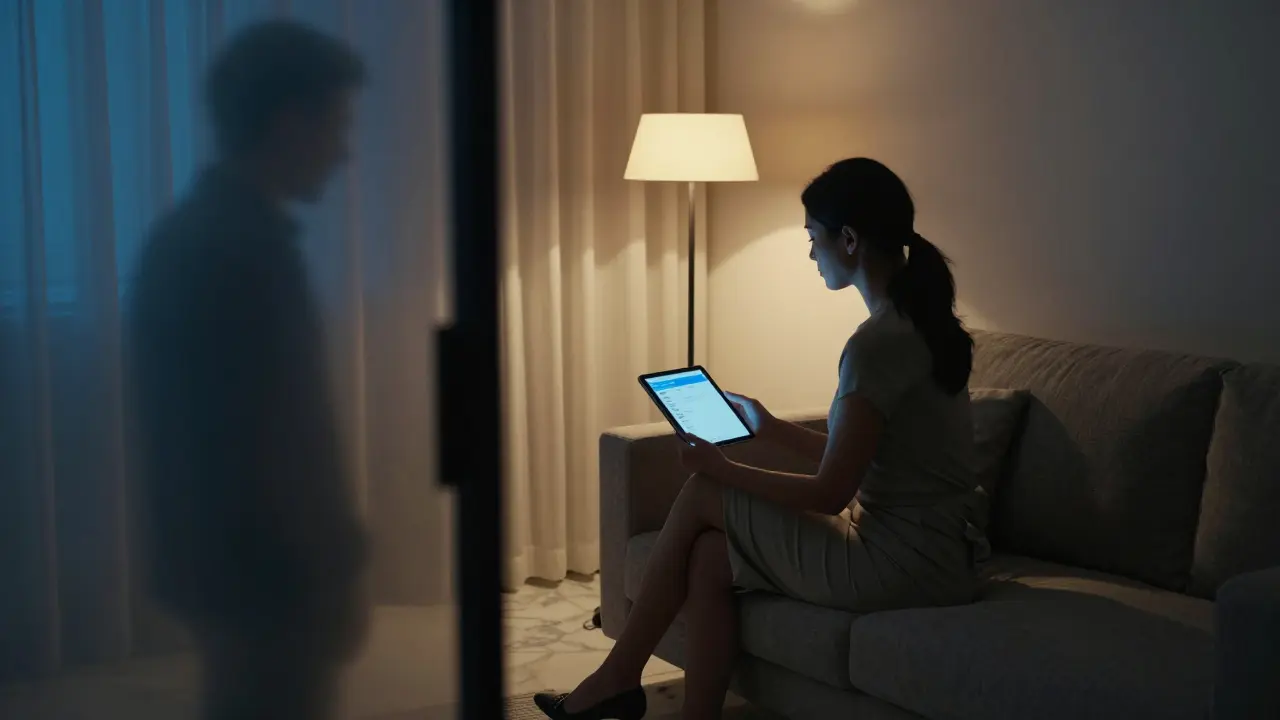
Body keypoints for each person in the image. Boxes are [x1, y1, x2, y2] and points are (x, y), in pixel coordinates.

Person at [535, 158, 986, 720]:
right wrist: (770, 429)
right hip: (943, 554)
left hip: (903, 564)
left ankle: (616, 680)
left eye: (813, 238)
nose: (811, 253)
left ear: (848, 240)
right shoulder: (919, 325)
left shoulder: (875, 348)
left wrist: (720, 469)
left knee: (703, 491)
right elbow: (863, 468)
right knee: (708, 555)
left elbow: (828, 494)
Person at [125, 20, 368, 720]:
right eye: (337, 125)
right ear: (290, 123)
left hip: (226, 574)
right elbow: (279, 445)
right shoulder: (241, 254)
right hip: (267, 581)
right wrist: (332, 574)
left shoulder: (195, 236)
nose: (344, 151)